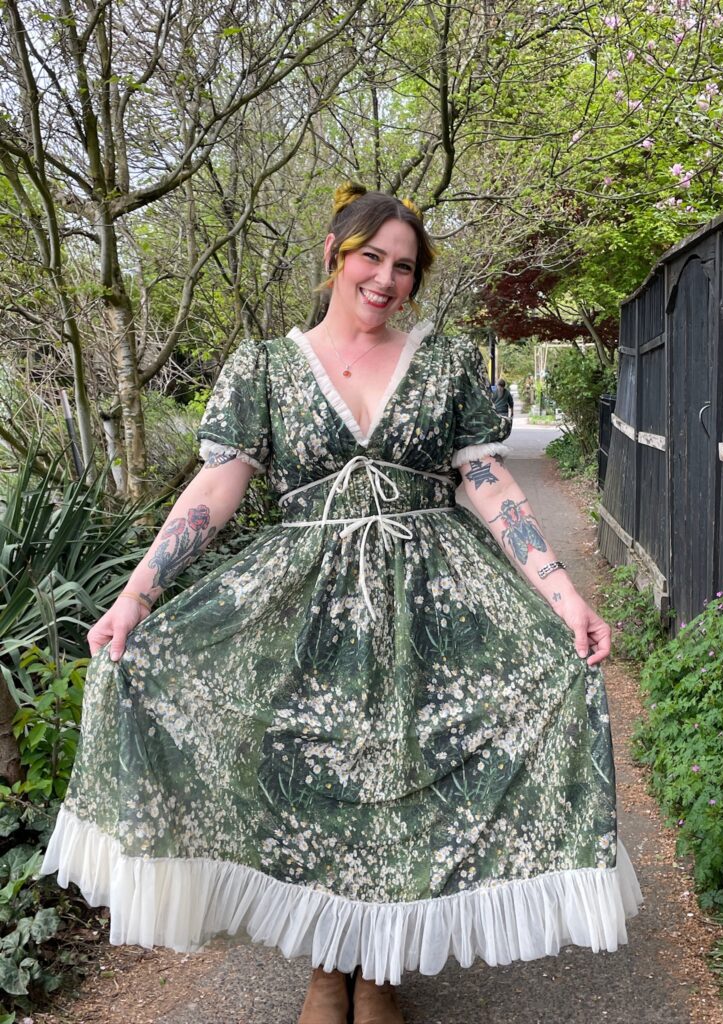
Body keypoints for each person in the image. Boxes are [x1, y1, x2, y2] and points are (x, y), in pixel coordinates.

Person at [42, 183, 642, 1024]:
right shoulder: (263, 368)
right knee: (317, 783)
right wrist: (136, 596)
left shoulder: (444, 362)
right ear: (334, 254)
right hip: (304, 613)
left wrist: (564, 594)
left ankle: (382, 971)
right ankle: (328, 967)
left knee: (406, 780)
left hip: (435, 608)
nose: (387, 279)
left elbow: (488, 481)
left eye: (404, 267)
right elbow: (215, 489)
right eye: (372, 257)